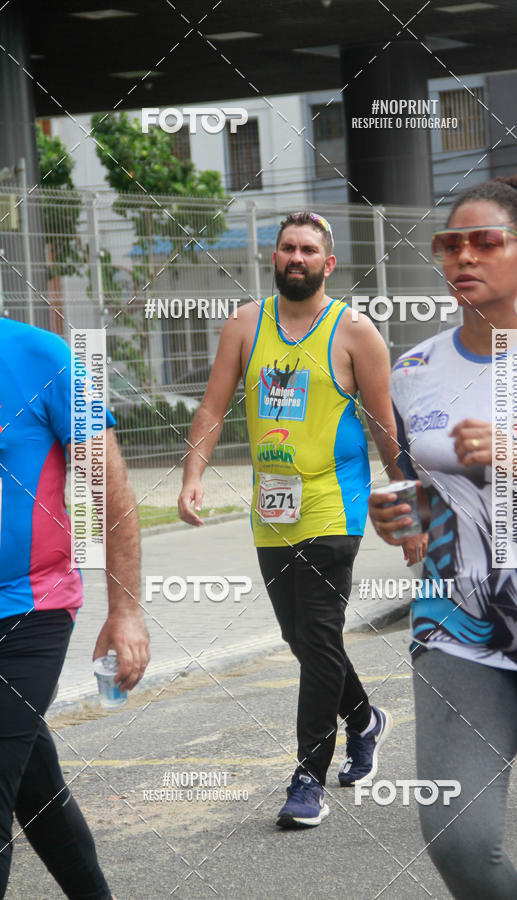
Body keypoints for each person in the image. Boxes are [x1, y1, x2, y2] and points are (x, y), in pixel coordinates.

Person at [370, 174, 517, 898]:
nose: (462, 256)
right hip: (454, 624)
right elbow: (429, 492)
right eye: (450, 244)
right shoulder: (414, 371)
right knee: (459, 841)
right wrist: (399, 517)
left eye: (484, 242)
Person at [178, 211, 413, 828]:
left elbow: (385, 424)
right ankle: (364, 719)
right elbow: (212, 407)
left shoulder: (355, 331)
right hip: (271, 506)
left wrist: (407, 502)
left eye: (309, 249)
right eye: (288, 247)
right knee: (305, 639)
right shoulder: (245, 324)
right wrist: (194, 474)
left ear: (328, 263)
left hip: (335, 501)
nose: (297, 257)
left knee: (318, 631)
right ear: (274, 256)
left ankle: (309, 778)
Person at [0, 316, 150, 898]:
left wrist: (125, 611)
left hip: (29, 607)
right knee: (34, 786)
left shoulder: (44, 357)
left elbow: (107, 492)